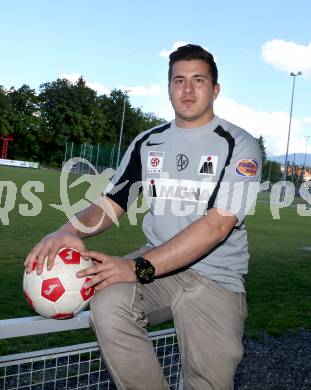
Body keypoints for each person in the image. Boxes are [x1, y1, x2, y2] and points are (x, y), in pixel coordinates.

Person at [25, 44, 262, 390]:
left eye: (198, 80)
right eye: (179, 80)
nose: (188, 89)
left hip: (216, 280)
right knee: (108, 302)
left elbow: (217, 225)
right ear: (168, 89)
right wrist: (69, 230)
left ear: (215, 90)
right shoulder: (147, 142)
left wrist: (136, 267)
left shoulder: (239, 145)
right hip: (157, 269)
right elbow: (113, 201)